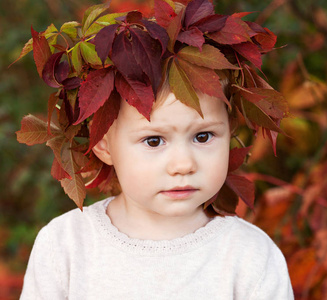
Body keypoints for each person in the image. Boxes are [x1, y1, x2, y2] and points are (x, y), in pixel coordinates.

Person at [17, 0, 293, 299]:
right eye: (153, 141)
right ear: (102, 143)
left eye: (203, 137)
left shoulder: (249, 256)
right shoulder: (66, 246)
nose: (183, 164)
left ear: (230, 132)